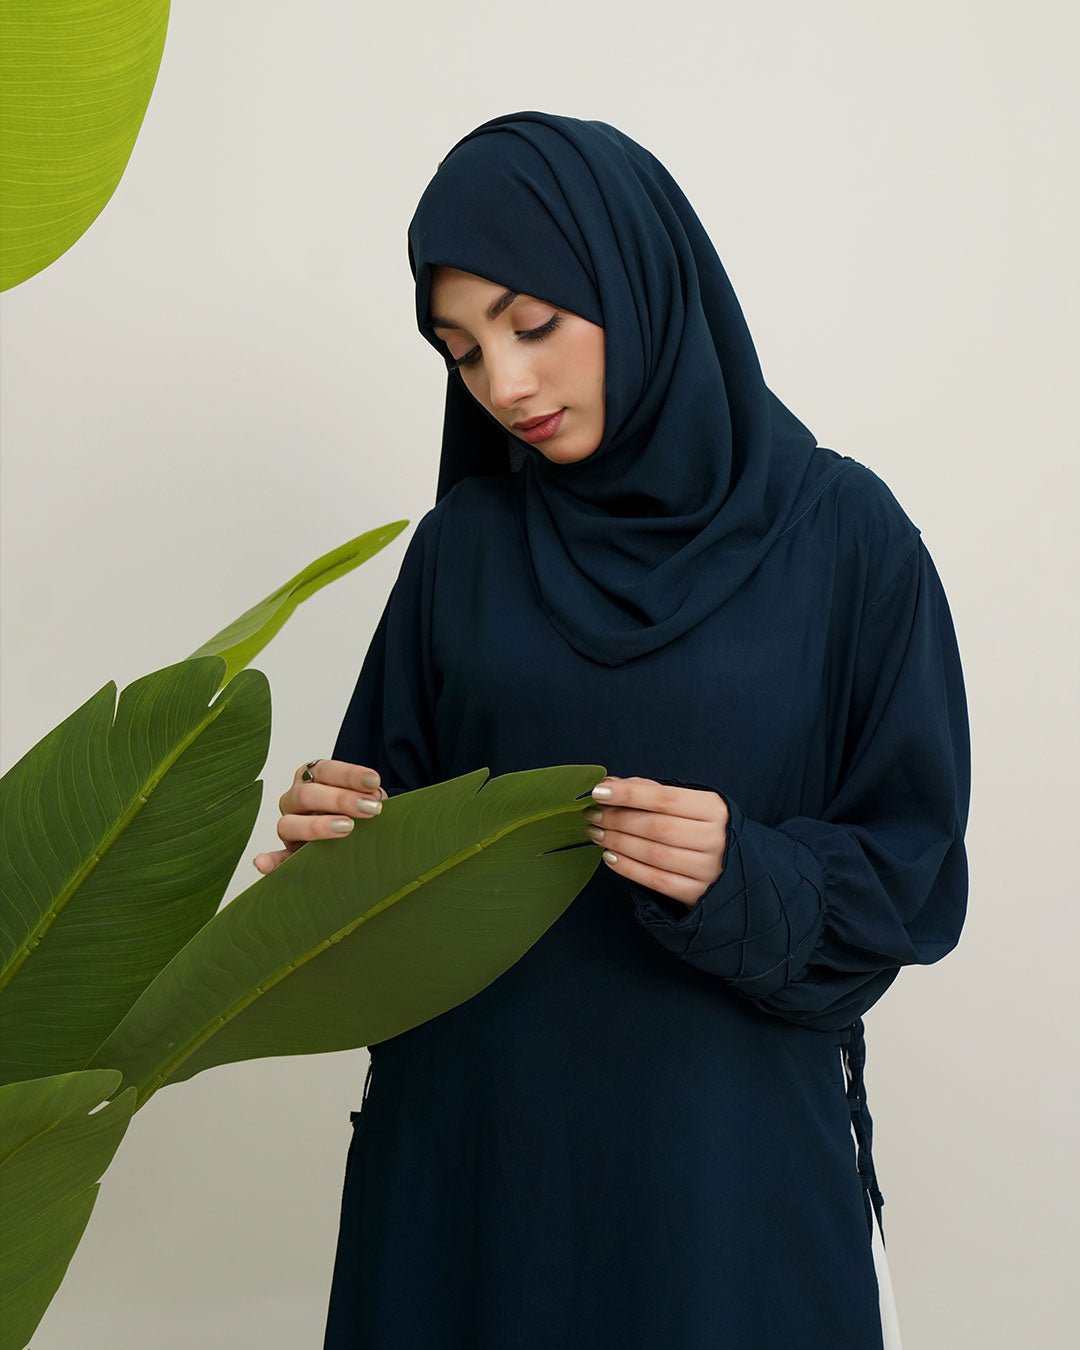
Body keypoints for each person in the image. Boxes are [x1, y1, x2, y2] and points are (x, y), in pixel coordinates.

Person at [253, 111, 970, 1349]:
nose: (504, 385)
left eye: (532, 324)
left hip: (724, 1183)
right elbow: (394, 866)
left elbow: (912, 876)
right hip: (469, 1176)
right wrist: (338, 845)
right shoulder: (464, 551)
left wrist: (744, 871)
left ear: (640, 283)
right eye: (462, 352)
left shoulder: (847, 540)